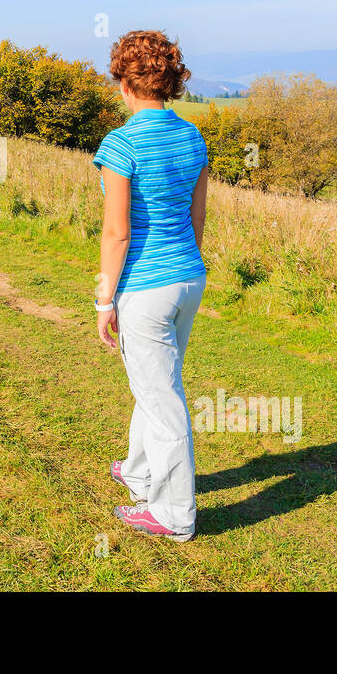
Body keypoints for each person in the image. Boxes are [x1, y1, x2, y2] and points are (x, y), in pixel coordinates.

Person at [93, 30, 209, 541]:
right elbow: (196, 214)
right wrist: (186, 265)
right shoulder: (192, 136)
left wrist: (104, 299)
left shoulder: (121, 144)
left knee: (162, 399)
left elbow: (116, 233)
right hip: (188, 277)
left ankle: (173, 514)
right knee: (158, 382)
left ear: (123, 80)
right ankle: (140, 471)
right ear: (171, 81)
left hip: (145, 286)